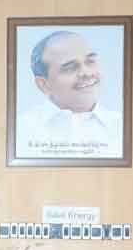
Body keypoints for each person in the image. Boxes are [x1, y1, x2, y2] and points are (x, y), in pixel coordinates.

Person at [16, 30, 124, 159]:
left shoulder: (124, 127)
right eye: (70, 68)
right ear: (43, 85)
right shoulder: (21, 131)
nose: (87, 73)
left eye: (90, 61)